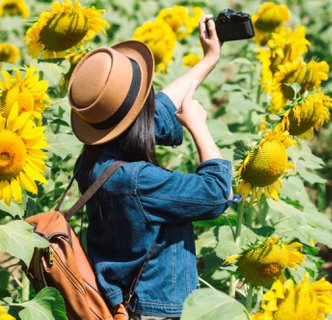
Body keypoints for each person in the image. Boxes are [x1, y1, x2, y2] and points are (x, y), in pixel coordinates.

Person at [67, 16, 235, 319]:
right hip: (152, 310)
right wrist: (199, 127)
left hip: (119, 299)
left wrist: (209, 58)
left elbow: (162, 107)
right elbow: (217, 194)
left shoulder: (92, 159)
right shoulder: (139, 181)